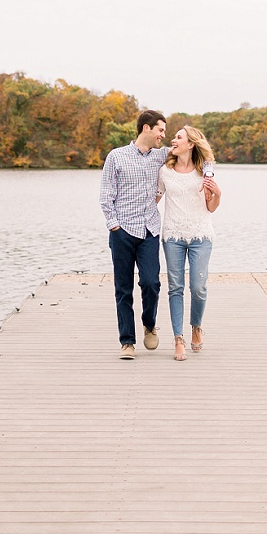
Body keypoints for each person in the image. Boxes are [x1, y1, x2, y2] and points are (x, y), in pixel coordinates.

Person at [98, 110, 170, 360]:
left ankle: (149, 324)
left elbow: (196, 152)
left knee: (151, 283)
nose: (164, 135)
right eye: (161, 130)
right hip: (123, 231)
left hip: (149, 229)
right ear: (146, 128)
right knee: (123, 288)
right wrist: (113, 224)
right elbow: (106, 194)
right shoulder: (116, 156)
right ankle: (127, 342)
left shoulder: (162, 156)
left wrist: (209, 171)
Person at [158, 125, 221, 360]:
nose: (173, 140)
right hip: (172, 235)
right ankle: (178, 338)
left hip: (201, 236)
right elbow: (154, 198)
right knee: (175, 287)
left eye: (178, 137)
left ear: (191, 144)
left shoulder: (205, 171)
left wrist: (218, 194)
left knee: (198, 287)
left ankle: (196, 326)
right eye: (173, 137)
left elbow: (211, 207)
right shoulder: (165, 170)